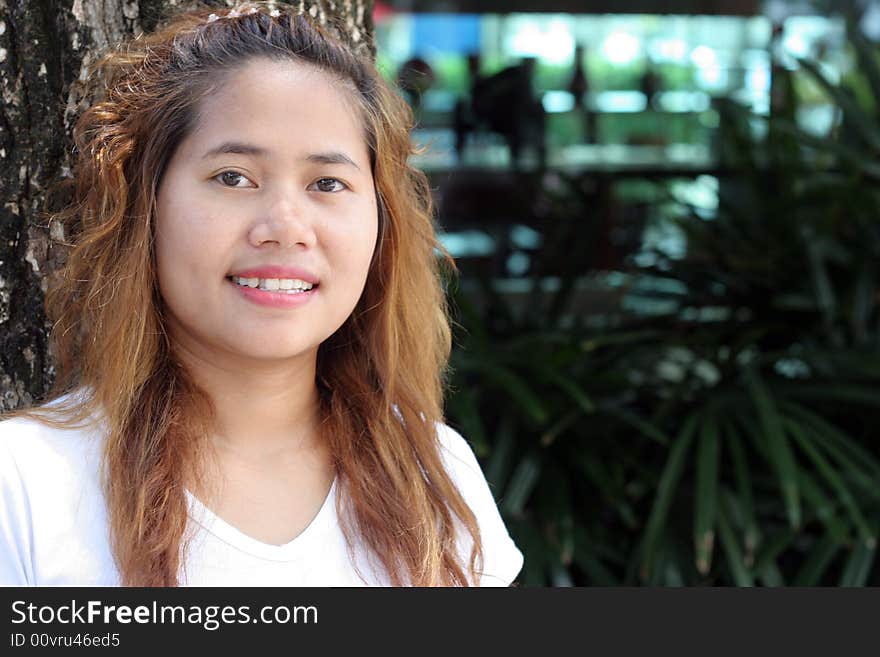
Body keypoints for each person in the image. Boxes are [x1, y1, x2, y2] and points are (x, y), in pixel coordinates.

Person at [0, 1, 523, 587]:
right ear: (144, 205)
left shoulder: (432, 471)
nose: (284, 224)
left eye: (328, 183)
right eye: (233, 177)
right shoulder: (25, 487)